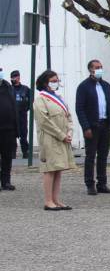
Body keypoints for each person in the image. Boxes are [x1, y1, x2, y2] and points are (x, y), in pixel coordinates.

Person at [33, 70, 77, 210]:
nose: (55, 83)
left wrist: (69, 131)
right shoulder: (40, 99)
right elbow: (44, 121)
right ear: (45, 83)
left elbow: (68, 116)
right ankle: (48, 201)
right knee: (50, 169)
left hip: (63, 138)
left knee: (59, 169)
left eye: (57, 80)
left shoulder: (59, 97)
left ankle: (56, 199)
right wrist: (61, 134)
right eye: (53, 80)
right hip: (50, 138)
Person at [75, 59, 110, 195]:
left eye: (101, 67)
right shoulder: (84, 86)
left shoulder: (106, 86)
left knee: (103, 156)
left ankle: (102, 183)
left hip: (105, 124)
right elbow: (79, 108)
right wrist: (85, 127)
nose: (99, 69)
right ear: (90, 70)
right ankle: (89, 183)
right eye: (96, 67)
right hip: (92, 126)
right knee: (90, 156)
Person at [0, 67, 19, 191]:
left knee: (7, 157)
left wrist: (17, 129)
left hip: (9, 129)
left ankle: (6, 181)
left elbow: (14, 108)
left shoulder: (8, 87)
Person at [10, 70, 31, 158]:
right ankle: (12, 153)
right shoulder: (9, 89)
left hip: (22, 115)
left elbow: (31, 101)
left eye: (15, 77)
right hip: (12, 116)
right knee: (12, 135)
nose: (13, 79)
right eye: (12, 77)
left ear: (18, 77)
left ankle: (25, 152)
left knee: (23, 135)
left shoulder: (25, 89)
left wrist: (26, 109)